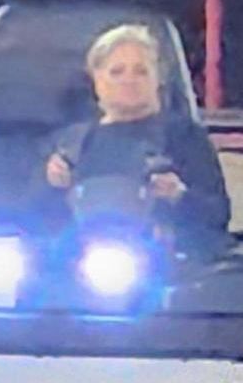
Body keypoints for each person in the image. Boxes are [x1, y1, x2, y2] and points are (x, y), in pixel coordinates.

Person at [38, 24, 230, 245]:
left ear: (158, 78)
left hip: (166, 258)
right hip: (81, 256)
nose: (129, 80)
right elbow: (31, 214)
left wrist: (179, 195)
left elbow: (218, 214)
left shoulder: (185, 137)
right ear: (96, 79)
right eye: (117, 72)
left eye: (141, 71)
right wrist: (49, 182)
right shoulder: (70, 144)